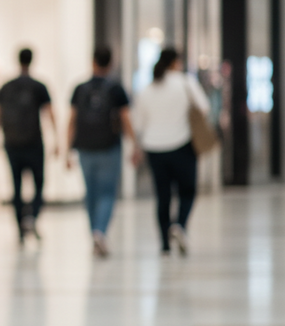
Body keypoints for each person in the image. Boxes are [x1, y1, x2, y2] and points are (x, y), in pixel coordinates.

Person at [133, 47, 210, 256]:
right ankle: (180, 225)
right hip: (182, 145)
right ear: (175, 62)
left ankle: (164, 242)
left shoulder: (146, 89)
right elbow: (204, 107)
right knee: (187, 190)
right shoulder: (185, 83)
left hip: (154, 148)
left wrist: (136, 148)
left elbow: (138, 124)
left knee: (163, 195)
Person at [66, 46, 136, 257]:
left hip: (85, 147)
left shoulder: (80, 88)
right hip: (109, 147)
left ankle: (94, 232)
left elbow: (72, 121)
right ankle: (100, 232)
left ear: (93, 62)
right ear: (110, 63)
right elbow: (125, 119)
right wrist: (135, 145)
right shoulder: (116, 89)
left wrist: (67, 150)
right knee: (107, 193)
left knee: (91, 193)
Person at [0, 48, 57, 241]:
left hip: (12, 142)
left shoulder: (6, 86)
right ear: (32, 61)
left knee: (16, 185)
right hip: (34, 143)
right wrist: (56, 139)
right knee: (39, 183)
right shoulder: (39, 86)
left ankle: (21, 228)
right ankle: (32, 217)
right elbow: (49, 112)